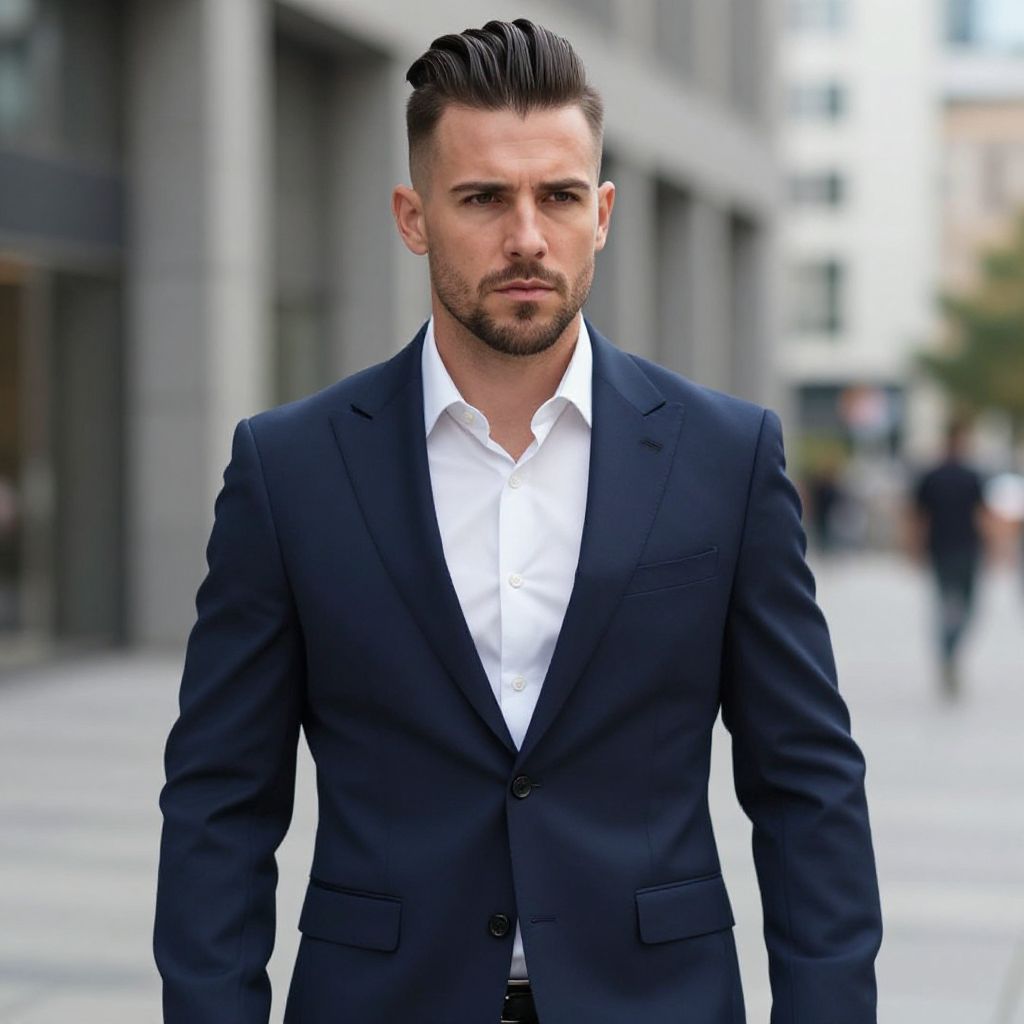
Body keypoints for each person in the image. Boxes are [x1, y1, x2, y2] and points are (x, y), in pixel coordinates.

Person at [154, 19, 882, 1024]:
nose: (527, 236)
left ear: (603, 211)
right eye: (483, 198)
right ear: (413, 217)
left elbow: (808, 786)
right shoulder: (291, 470)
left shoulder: (725, 458)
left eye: (559, 196)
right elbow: (217, 804)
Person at [910, 421, 987, 699]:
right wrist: (914, 547)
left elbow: (981, 514)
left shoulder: (968, 475)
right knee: (955, 607)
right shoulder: (937, 475)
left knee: (959, 607)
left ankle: (948, 654)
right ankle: (948, 656)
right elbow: (919, 515)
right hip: (952, 548)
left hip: (956, 548)